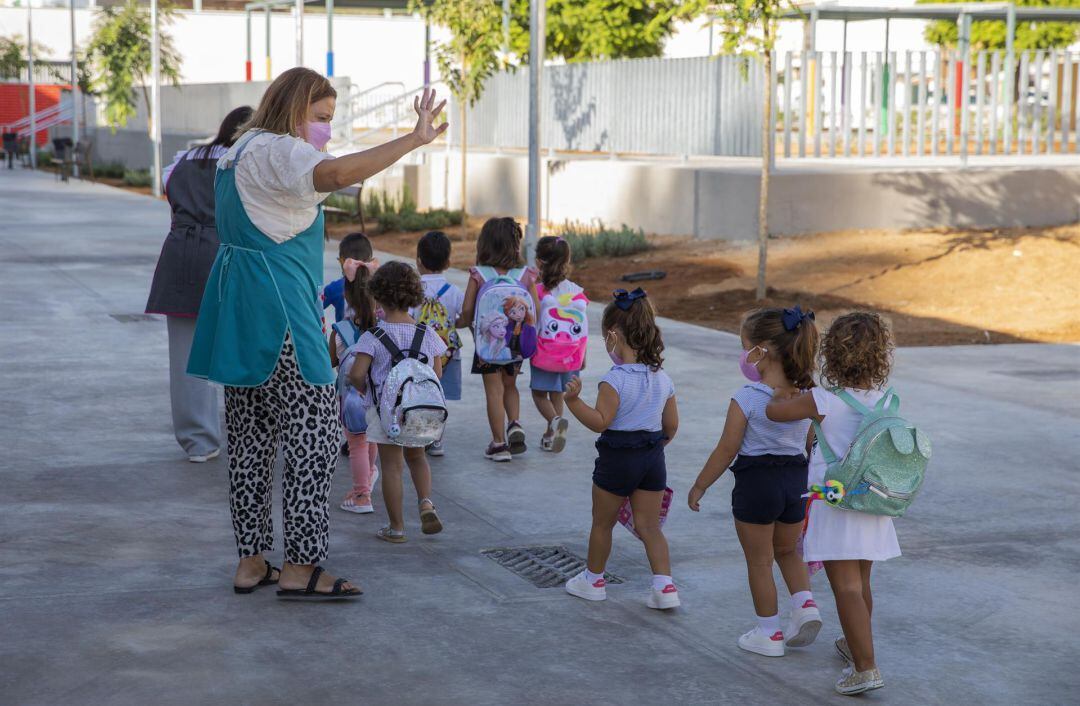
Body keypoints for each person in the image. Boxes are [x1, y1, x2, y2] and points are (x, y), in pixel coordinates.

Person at [187, 67, 447, 599]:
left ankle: (251, 561)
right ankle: (303, 566)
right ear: (293, 109)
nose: (327, 129)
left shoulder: (240, 148)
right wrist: (413, 139)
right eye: (321, 117)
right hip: (281, 308)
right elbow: (332, 175)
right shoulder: (283, 150)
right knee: (315, 438)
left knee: (251, 442)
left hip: (238, 309)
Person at [766, 312, 901, 696]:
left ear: (831, 356)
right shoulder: (886, 399)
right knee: (861, 583)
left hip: (836, 503)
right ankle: (853, 645)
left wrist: (781, 392)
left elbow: (773, 413)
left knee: (845, 587)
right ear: (880, 355)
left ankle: (866, 667)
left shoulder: (823, 400)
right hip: (873, 502)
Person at [687, 306, 822, 658]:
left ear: (761, 351)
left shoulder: (746, 397)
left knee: (760, 561)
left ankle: (769, 633)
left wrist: (700, 485)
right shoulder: (807, 396)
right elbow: (811, 444)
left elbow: (726, 449)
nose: (744, 356)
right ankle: (805, 605)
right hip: (795, 481)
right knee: (788, 551)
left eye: (746, 347)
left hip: (756, 484)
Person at [145, 106, 253, 463]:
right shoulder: (245, 160)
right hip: (227, 255)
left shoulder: (184, 159)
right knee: (246, 346)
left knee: (187, 355)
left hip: (180, 257)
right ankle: (253, 434)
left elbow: (172, 202)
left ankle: (198, 441)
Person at [562, 288, 680, 610]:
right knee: (650, 526)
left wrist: (573, 402)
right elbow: (671, 426)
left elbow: (601, 421)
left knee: (603, 522)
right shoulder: (662, 378)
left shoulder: (613, 380)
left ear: (613, 335)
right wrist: (653, 447)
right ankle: (665, 587)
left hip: (618, 458)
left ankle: (593, 580)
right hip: (652, 457)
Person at [347, 262, 447, 544]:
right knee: (418, 458)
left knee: (392, 467)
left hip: (386, 414)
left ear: (377, 296)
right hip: (421, 412)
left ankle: (397, 527)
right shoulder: (427, 333)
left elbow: (356, 374)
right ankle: (426, 502)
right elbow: (436, 373)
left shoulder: (372, 337)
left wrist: (366, 388)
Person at [458, 217, 539, 462]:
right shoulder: (525, 274)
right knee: (511, 386)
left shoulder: (479, 274)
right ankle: (514, 423)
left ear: (485, 245)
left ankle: (499, 444)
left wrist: (462, 325)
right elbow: (535, 309)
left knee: (494, 392)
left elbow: (467, 311)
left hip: (487, 347)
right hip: (514, 345)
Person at [328, 235, 380, 515]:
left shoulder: (340, 332)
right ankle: (369, 475)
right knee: (370, 440)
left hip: (350, 397)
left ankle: (361, 496)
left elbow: (330, 363)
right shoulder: (383, 330)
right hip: (378, 395)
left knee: (356, 443)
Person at [529, 236, 588, 453]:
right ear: (567, 261)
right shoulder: (577, 292)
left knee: (539, 394)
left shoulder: (538, 291)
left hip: (545, 352)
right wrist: (583, 358)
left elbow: (532, 321)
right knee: (557, 393)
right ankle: (550, 435)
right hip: (571, 355)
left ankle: (554, 422)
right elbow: (582, 330)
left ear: (538, 262)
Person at [410, 231, 465, 457]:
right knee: (440, 395)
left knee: (419, 393)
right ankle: (436, 439)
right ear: (448, 263)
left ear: (418, 261)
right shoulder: (453, 292)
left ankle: (418, 433)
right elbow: (461, 319)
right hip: (447, 354)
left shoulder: (413, 290)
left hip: (417, 354)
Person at [323, 232, 374, 323]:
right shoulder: (379, 286)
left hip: (343, 337)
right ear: (370, 261)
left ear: (341, 261)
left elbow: (314, 310)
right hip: (376, 336)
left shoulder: (334, 288)